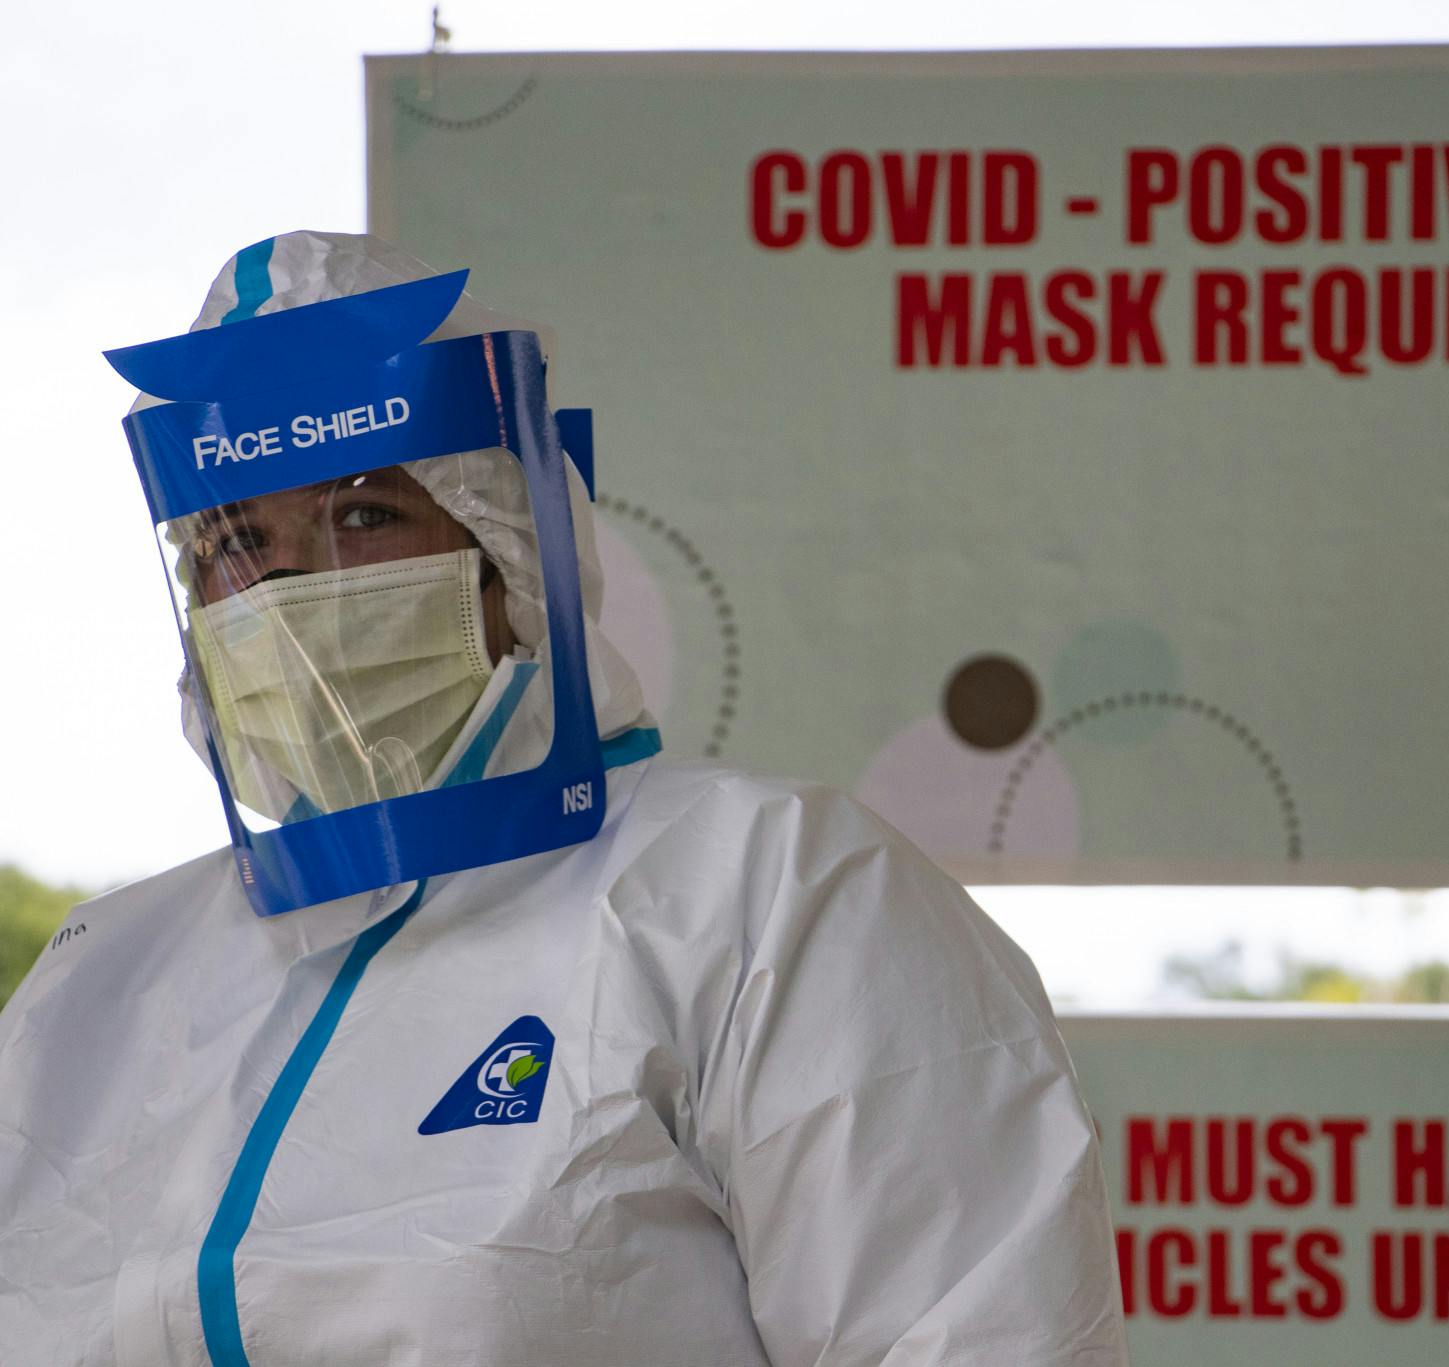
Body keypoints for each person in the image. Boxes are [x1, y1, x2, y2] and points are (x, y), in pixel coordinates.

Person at [0, 231, 1129, 1366]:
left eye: (361, 513)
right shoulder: (102, 977)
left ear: (510, 554)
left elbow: (979, 1334)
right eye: (237, 540)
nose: (289, 585)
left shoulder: (769, 891)